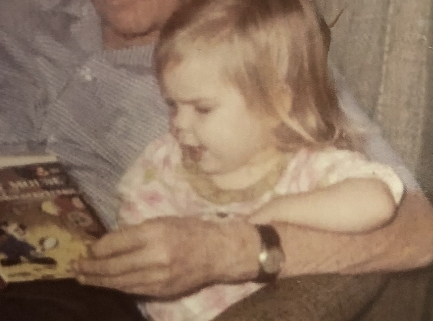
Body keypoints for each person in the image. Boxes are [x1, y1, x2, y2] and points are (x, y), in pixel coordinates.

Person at [0, 0, 432, 320]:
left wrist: (235, 248)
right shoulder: (2, 9)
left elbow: (419, 228)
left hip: (84, 291)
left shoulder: (247, 47)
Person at [86, 0, 403, 319]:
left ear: (275, 105)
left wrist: (272, 216)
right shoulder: (166, 160)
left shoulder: (304, 165)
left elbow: (377, 200)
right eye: (172, 105)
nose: (179, 124)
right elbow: (134, 220)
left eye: (202, 109)